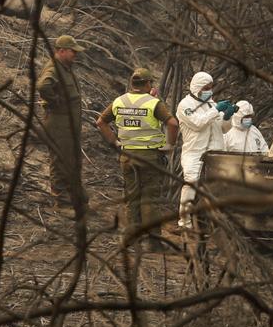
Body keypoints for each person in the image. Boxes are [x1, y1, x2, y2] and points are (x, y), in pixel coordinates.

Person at [96, 67, 179, 242]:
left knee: (132, 196)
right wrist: (170, 145)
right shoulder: (153, 103)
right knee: (150, 198)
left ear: (132, 83)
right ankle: (153, 241)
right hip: (149, 157)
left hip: (127, 156)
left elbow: (101, 122)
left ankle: (132, 237)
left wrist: (115, 142)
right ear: (148, 83)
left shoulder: (119, 101)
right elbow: (172, 123)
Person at [36, 34, 87, 217]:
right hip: (59, 125)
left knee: (72, 161)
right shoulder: (54, 69)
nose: (75, 55)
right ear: (61, 51)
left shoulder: (66, 68)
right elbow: (43, 86)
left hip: (69, 126)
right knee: (60, 162)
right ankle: (61, 203)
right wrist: (55, 101)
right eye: (73, 51)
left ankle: (74, 197)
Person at [175, 71, 234, 229]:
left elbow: (223, 129)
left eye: (210, 87)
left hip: (215, 153)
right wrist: (216, 111)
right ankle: (184, 223)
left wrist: (228, 117)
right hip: (194, 152)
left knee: (215, 188)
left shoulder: (211, 104)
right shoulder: (185, 105)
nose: (209, 90)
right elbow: (198, 123)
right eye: (206, 88)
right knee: (191, 183)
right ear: (197, 88)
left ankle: (210, 223)